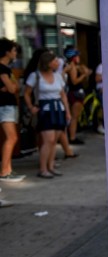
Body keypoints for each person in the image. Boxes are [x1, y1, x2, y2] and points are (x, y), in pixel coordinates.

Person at [23, 51, 71, 179]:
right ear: (48, 63)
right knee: (48, 139)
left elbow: (63, 95)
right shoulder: (35, 76)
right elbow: (27, 93)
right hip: (44, 109)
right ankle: (43, 168)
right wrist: (31, 107)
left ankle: (51, 166)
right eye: (55, 61)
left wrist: (67, 111)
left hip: (58, 108)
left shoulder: (58, 76)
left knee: (54, 140)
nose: (58, 63)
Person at [0, 39, 24, 182]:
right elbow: (12, 88)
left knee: (11, 137)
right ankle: (4, 171)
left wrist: (12, 87)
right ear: (7, 52)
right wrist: (12, 86)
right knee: (12, 137)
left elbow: (13, 88)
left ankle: (7, 169)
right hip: (5, 106)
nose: (15, 53)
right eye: (13, 50)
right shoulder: (2, 68)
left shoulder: (6, 68)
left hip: (8, 105)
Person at [63, 48, 92, 145]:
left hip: (73, 92)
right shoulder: (72, 67)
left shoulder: (73, 66)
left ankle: (71, 136)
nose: (79, 58)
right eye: (77, 56)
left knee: (73, 117)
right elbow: (74, 81)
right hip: (76, 92)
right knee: (74, 117)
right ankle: (72, 137)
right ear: (73, 58)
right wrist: (83, 75)